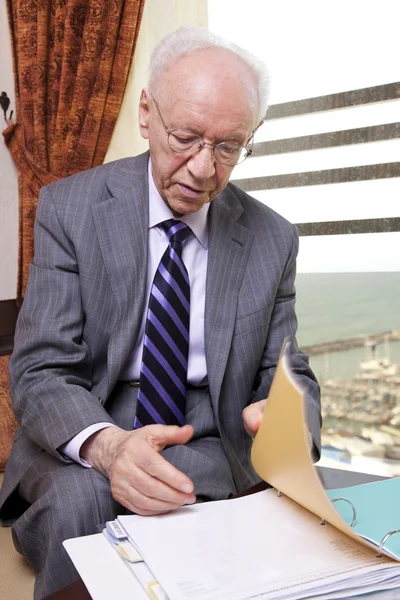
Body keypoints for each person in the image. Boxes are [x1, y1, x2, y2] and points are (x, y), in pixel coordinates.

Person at [0, 26, 321, 599]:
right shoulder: (70, 207)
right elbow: (40, 370)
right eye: (186, 138)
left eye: (228, 147)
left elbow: (288, 371)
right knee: (85, 499)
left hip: (209, 438)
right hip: (88, 425)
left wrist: (287, 417)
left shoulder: (274, 238)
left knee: (243, 515)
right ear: (146, 113)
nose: (203, 169)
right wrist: (108, 446)